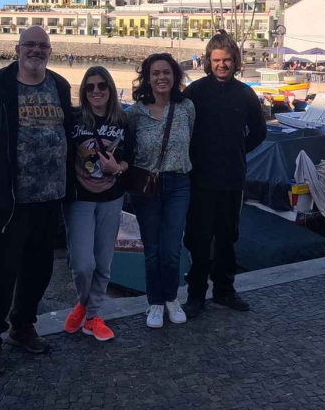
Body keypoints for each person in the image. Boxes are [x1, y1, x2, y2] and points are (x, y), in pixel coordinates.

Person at [0, 26, 73, 377]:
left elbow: (68, 132)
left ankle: (22, 326)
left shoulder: (60, 86)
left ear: (50, 51)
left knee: (39, 271)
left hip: (49, 199)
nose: (36, 51)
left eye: (42, 46)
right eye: (30, 45)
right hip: (8, 203)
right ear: (18, 48)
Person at [182, 31, 266, 318]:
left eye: (227, 60)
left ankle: (224, 290)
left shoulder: (245, 94)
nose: (222, 65)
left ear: (235, 61)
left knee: (228, 237)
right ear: (208, 61)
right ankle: (195, 294)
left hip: (232, 179)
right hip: (200, 180)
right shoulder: (194, 92)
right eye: (216, 60)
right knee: (198, 239)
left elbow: (259, 132)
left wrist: (237, 151)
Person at [62, 65, 132, 343]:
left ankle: (91, 316)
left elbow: (131, 158)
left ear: (110, 89)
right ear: (83, 91)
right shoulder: (74, 118)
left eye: (101, 86)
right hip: (79, 200)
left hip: (111, 199)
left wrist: (118, 167)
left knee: (103, 261)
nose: (96, 91)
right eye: (89, 87)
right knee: (82, 263)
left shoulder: (122, 121)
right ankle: (83, 301)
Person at [127, 52, 195, 329]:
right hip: (146, 187)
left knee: (171, 249)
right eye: (155, 73)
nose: (161, 77)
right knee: (152, 249)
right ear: (147, 78)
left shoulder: (186, 107)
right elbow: (127, 150)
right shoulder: (135, 113)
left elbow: (192, 139)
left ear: (175, 75)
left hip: (178, 183)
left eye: (166, 72)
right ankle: (154, 302)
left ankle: (171, 298)